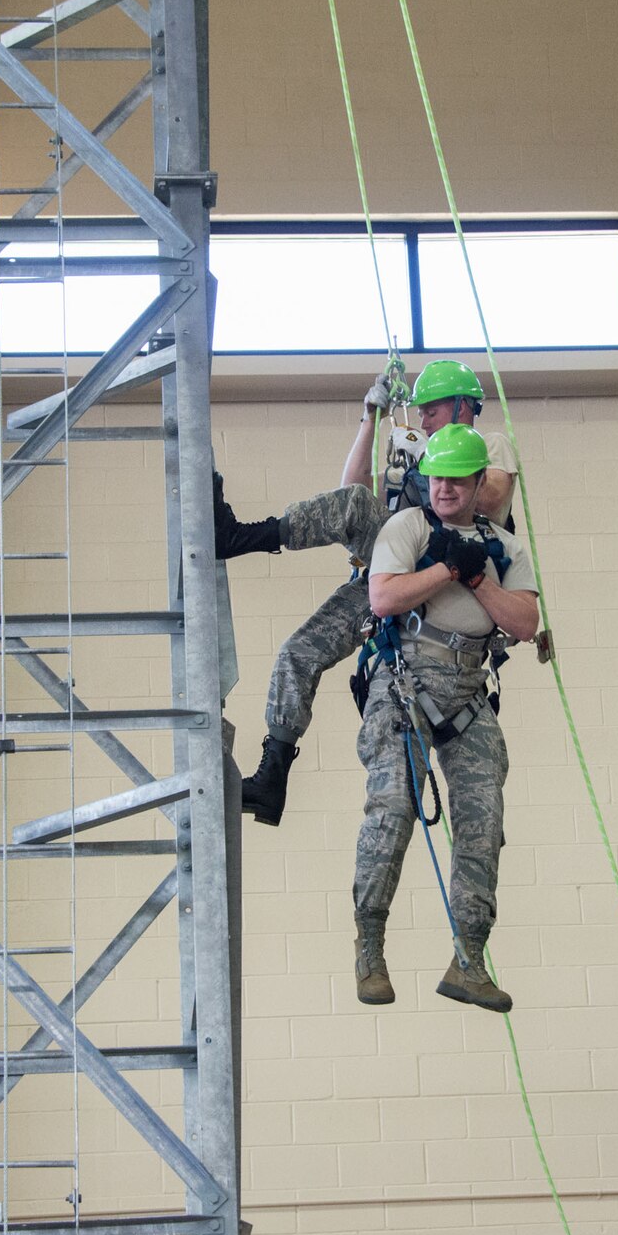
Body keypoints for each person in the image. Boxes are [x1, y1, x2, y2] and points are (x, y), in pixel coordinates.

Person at [212, 358, 517, 825]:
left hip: (447, 568)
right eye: (420, 410)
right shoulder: (416, 454)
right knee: (299, 651)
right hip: (395, 578)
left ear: (462, 406)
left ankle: (242, 537)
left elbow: (491, 498)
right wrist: (371, 421)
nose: (423, 418)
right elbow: (349, 493)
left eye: (432, 409)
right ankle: (271, 777)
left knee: (357, 508)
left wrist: (428, 469)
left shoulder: (486, 448)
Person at [353, 423, 539, 1011]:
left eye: (457, 481)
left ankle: (469, 960)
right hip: (406, 683)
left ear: (481, 481)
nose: (444, 491)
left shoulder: (504, 548)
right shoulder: (406, 527)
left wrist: (476, 574)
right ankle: (370, 948)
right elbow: (382, 598)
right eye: (435, 480)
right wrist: (444, 570)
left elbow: (525, 623)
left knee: (483, 823)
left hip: (468, 692)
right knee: (393, 810)